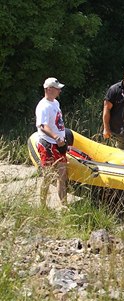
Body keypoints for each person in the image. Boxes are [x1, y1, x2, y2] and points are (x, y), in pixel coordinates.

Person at [35, 77, 68, 208]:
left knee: (62, 176)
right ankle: (43, 205)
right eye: (57, 89)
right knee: (48, 176)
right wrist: (56, 137)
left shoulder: (55, 103)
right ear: (49, 89)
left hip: (59, 144)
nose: (59, 91)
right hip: (47, 143)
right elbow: (42, 125)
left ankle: (64, 205)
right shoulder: (43, 106)